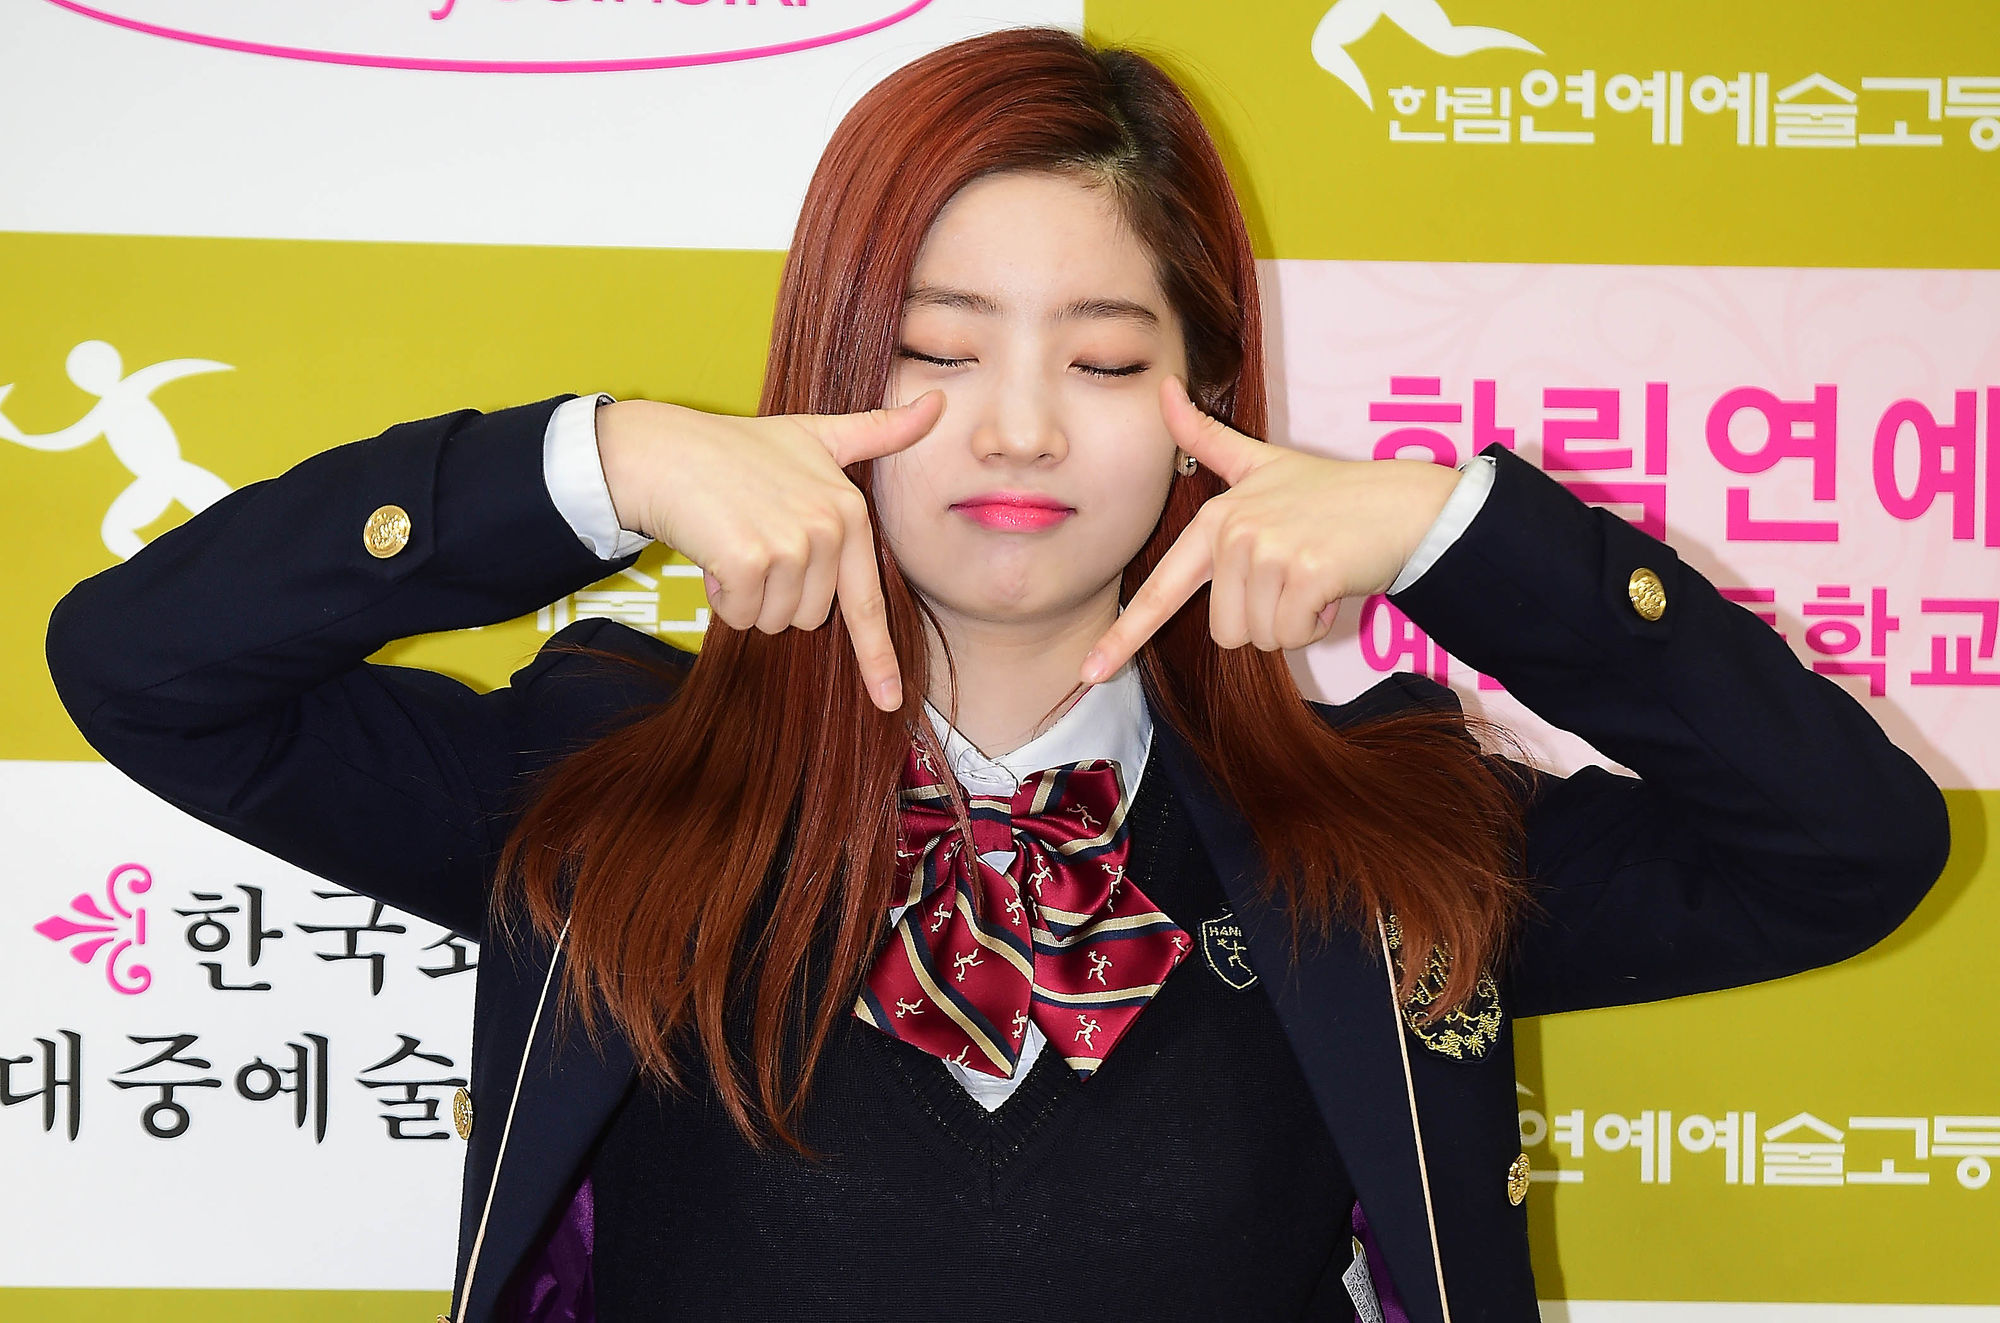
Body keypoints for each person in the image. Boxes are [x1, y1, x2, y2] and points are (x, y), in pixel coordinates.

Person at [43, 25, 1949, 1323]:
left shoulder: (1382, 838)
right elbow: (145, 666)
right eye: (938, 350)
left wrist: (1463, 537)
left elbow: (1848, 848)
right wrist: (591, 465)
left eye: (1107, 361)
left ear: (1211, 398)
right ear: (827, 368)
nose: (1020, 429)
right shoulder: (607, 789)